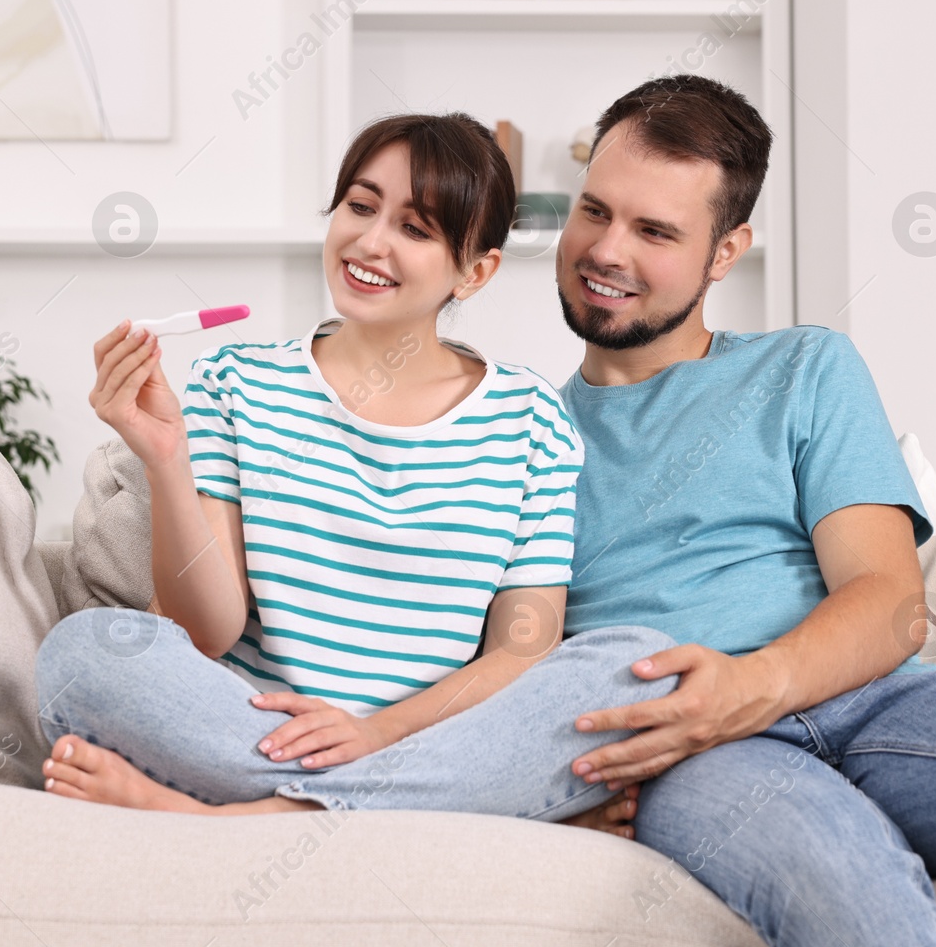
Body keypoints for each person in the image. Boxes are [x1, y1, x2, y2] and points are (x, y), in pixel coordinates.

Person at [48, 74, 936, 947]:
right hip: (670, 745)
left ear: (726, 251)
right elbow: (510, 674)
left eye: (655, 229)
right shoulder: (520, 429)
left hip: (868, 701)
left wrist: (747, 685)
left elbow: (888, 605)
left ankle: (275, 817)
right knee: (837, 883)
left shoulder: (803, 368)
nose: (607, 249)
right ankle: (297, 811)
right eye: (596, 211)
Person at [33, 111, 648, 834]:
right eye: (360, 205)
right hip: (255, 728)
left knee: (640, 661)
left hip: (427, 738)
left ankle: (258, 814)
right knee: (84, 651)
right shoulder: (235, 382)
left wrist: (378, 732)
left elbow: (522, 648)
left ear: (475, 270)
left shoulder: (531, 418)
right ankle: (363, 806)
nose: (370, 240)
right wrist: (165, 459)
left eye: (415, 229)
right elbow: (207, 629)